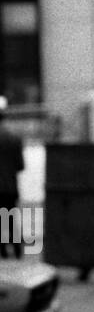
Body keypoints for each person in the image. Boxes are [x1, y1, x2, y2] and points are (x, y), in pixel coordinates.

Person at [0, 95, 25, 260]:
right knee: (10, 220)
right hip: (10, 187)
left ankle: (3, 253)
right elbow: (21, 166)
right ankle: (17, 251)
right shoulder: (14, 139)